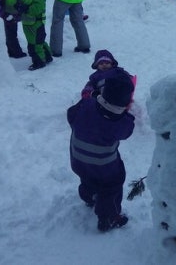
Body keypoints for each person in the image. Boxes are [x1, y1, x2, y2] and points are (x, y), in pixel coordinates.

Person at [67, 71, 135, 232]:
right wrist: (127, 115)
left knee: (87, 177)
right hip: (105, 168)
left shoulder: (87, 104)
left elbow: (71, 114)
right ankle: (108, 217)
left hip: (78, 160)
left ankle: (88, 196)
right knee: (111, 186)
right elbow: (127, 132)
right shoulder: (121, 121)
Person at [17, 0, 53, 70]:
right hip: (27, 24)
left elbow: (36, 9)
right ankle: (48, 56)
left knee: (35, 45)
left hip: (36, 25)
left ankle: (39, 62)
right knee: (39, 42)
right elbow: (23, 3)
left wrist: (25, 8)